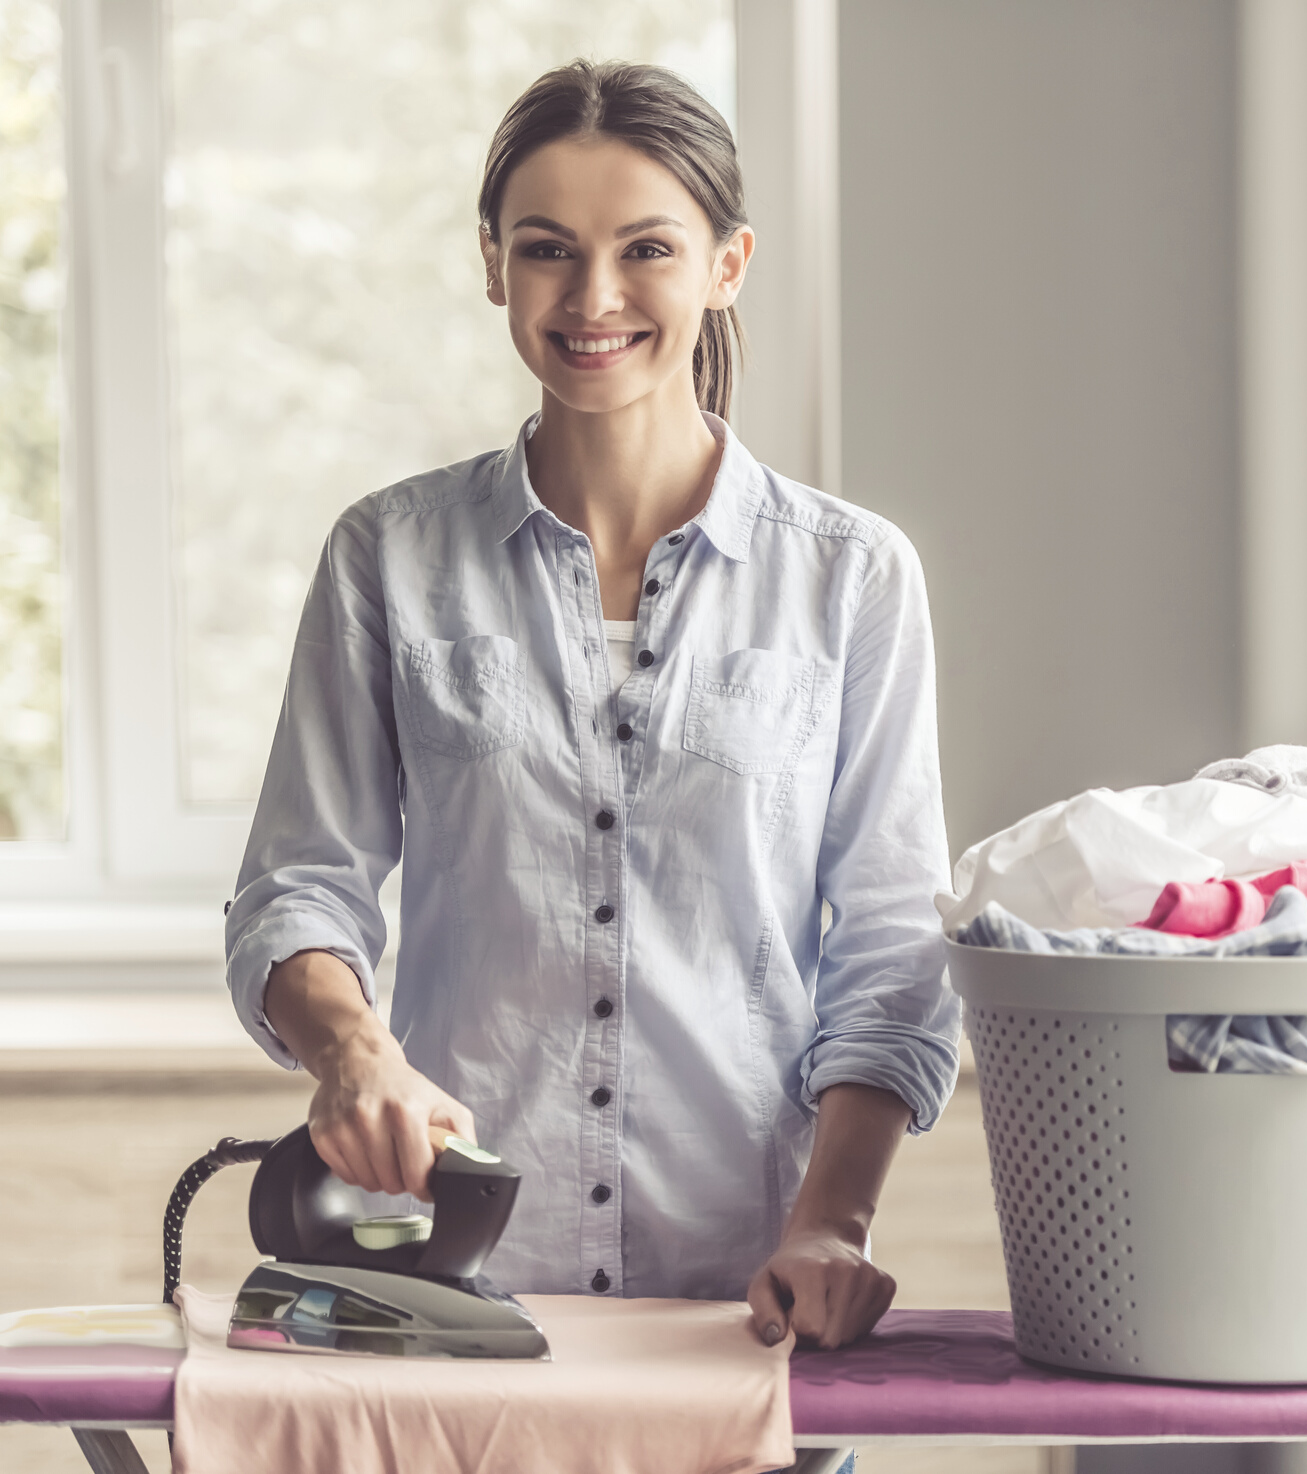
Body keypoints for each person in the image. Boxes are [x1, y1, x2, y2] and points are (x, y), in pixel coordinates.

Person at [224, 59, 959, 1356]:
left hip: (745, 1317)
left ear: (729, 264)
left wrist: (833, 1221)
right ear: (494, 265)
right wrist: (351, 1050)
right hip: (454, 1304)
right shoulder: (386, 558)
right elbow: (300, 887)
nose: (595, 297)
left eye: (648, 249)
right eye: (548, 249)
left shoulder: (853, 577)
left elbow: (893, 952)